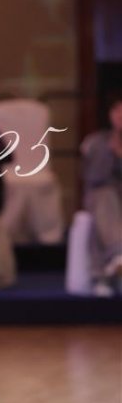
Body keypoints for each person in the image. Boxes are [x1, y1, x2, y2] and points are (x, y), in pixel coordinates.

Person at [80, 92, 122, 296]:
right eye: (117, 110)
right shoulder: (97, 142)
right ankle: (118, 256)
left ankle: (104, 275)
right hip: (102, 197)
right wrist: (112, 151)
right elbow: (95, 178)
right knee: (106, 199)